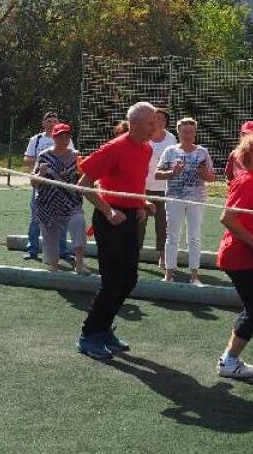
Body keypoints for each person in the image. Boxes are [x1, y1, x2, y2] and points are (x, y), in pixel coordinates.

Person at [74, 101, 156, 360]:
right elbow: (84, 184)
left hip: (130, 218)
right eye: (151, 122)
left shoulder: (146, 149)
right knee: (112, 281)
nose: (155, 126)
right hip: (110, 219)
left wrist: (142, 204)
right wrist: (108, 211)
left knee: (129, 279)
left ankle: (104, 330)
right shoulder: (115, 147)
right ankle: (89, 335)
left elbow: (133, 183)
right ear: (134, 123)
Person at [215, 132, 253, 379]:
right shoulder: (246, 181)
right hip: (238, 256)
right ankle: (229, 361)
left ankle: (229, 358)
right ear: (251, 157)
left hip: (248, 256)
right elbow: (227, 217)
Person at [156, 117, 215, 285]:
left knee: (194, 236)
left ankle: (194, 275)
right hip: (174, 198)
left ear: (195, 133)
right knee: (172, 235)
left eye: (191, 132)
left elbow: (211, 177)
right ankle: (169, 273)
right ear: (178, 133)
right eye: (185, 132)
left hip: (196, 200)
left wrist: (204, 173)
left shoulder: (202, 152)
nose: (188, 135)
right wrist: (172, 172)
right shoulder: (170, 151)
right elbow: (157, 174)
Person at [31, 123, 89, 274]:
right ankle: (54, 266)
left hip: (71, 202)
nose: (64, 139)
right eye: (60, 136)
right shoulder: (44, 156)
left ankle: (80, 263)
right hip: (48, 204)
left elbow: (84, 177)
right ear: (54, 137)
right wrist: (41, 174)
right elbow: (33, 182)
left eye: (67, 135)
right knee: (50, 238)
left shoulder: (76, 156)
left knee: (79, 223)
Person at [23, 111, 75, 262]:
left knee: (63, 218)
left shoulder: (66, 139)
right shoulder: (36, 139)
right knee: (36, 218)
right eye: (49, 121)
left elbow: (72, 157)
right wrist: (41, 163)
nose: (52, 123)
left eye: (55, 121)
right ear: (43, 123)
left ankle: (62, 251)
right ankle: (32, 250)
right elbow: (27, 159)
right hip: (41, 185)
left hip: (60, 185)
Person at [141, 108, 175, 261]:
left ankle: (163, 256)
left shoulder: (171, 138)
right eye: (156, 119)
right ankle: (135, 252)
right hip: (143, 187)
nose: (159, 122)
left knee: (163, 224)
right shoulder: (144, 136)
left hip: (164, 188)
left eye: (163, 119)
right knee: (139, 222)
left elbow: (173, 161)